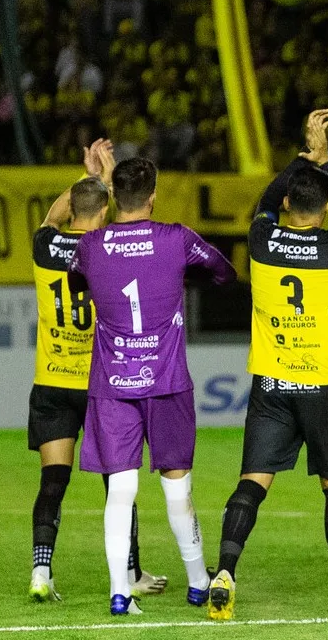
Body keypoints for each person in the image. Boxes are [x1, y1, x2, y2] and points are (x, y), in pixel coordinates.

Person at [209, 111, 328, 621]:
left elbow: (264, 203)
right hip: (323, 386)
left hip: (272, 383)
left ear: (288, 203)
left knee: (252, 481)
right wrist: (327, 163)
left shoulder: (261, 241)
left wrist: (298, 160)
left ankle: (225, 572)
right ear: (326, 207)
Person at [73, 155, 236, 616]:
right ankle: (198, 581)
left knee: (120, 489)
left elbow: (76, 280)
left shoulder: (90, 245)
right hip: (166, 381)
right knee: (177, 488)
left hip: (112, 384)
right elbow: (224, 272)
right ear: (153, 196)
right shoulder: (176, 238)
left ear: (112, 197)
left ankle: (118, 592)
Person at [26, 139, 164, 602]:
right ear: (105, 213)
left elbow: (56, 213)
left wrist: (90, 180)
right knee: (117, 480)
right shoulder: (105, 249)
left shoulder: (45, 244)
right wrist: (104, 182)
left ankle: (42, 572)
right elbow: (98, 219)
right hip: (99, 385)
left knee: (53, 482)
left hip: (52, 381)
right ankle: (131, 572)